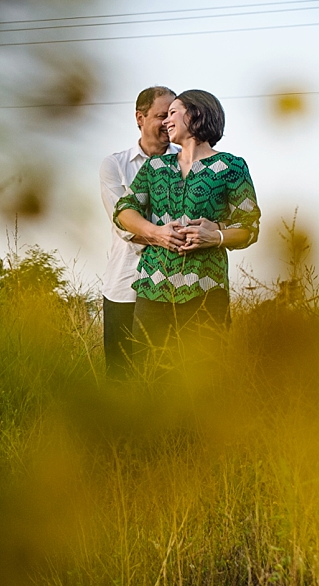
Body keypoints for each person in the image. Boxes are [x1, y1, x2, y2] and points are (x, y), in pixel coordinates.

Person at [113, 89, 260, 358]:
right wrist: (157, 233)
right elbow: (124, 210)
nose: (166, 121)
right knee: (150, 378)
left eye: (172, 113)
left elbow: (249, 228)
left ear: (196, 114)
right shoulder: (156, 166)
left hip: (206, 291)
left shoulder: (231, 167)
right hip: (152, 289)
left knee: (201, 381)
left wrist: (215, 236)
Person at [99, 86, 178, 378]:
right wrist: (165, 235)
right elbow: (124, 224)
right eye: (161, 116)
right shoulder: (115, 165)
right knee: (120, 376)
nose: (168, 123)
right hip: (125, 285)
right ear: (140, 118)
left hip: (172, 288)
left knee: (165, 376)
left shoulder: (189, 162)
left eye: (173, 115)